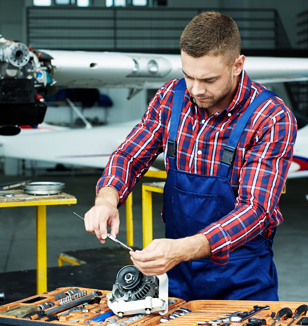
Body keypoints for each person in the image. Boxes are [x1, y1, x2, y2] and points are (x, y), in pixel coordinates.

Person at [84, 11, 297, 301]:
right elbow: (129, 154)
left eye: (208, 79)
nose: (196, 90)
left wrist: (181, 249)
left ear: (237, 64)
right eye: (188, 75)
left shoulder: (270, 117)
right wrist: (106, 199)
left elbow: (256, 209)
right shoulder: (170, 98)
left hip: (242, 280)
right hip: (176, 278)